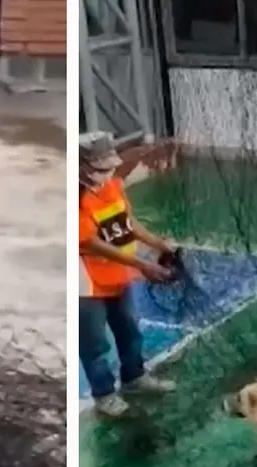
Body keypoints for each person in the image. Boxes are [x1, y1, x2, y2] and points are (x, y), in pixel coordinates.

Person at [78, 131, 178, 417]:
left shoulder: (112, 186)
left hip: (117, 275)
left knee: (129, 329)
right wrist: (143, 265)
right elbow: (90, 243)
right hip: (86, 283)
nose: (107, 173)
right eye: (100, 169)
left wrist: (158, 243)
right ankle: (104, 394)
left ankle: (134, 377)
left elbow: (127, 223)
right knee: (94, 343)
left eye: (110, 166)